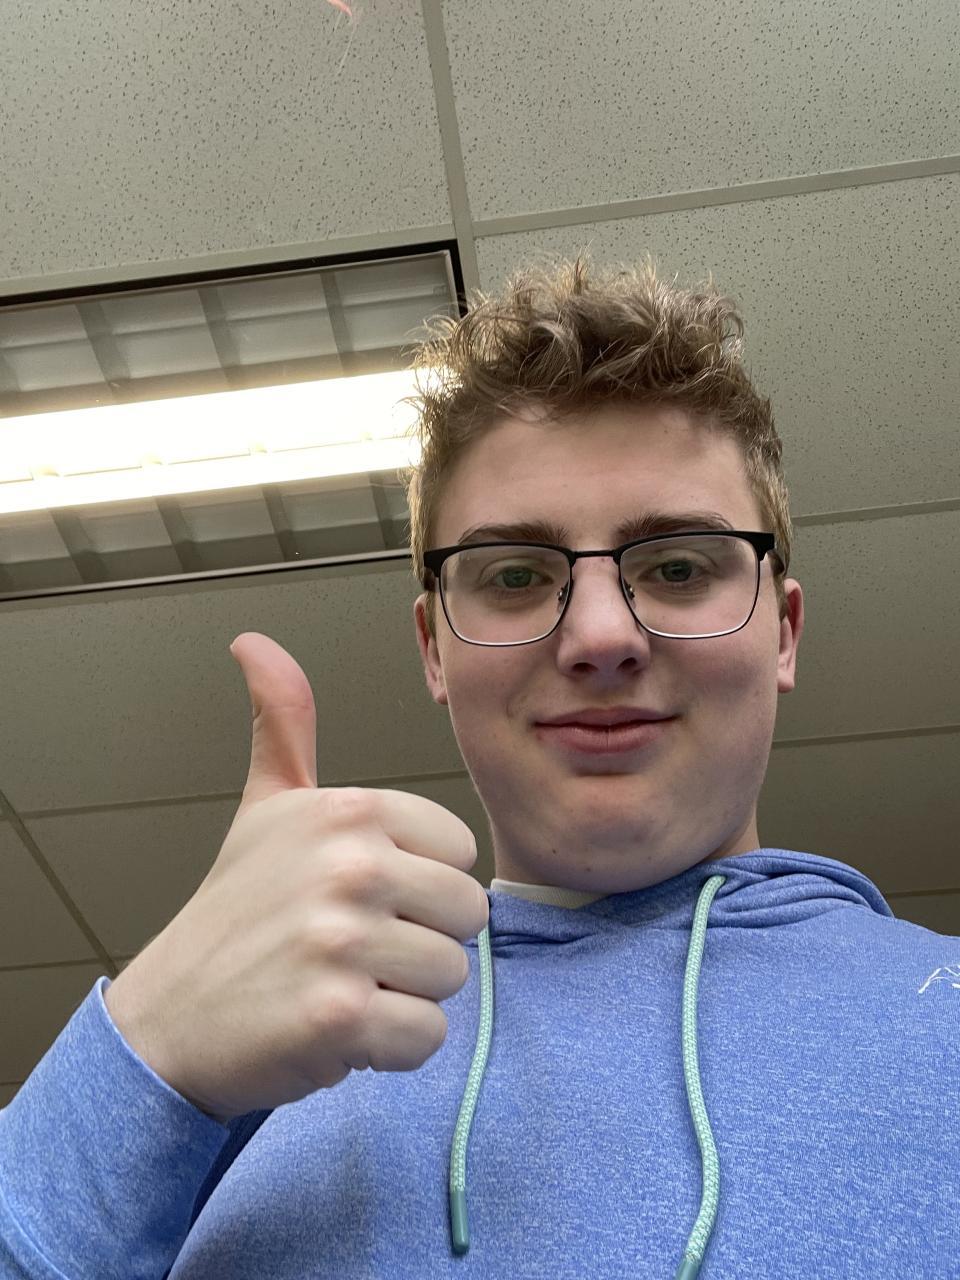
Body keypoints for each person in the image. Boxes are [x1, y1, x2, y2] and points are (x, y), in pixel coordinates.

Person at [0, 253, 956, 1279]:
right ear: (433, 648)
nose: (600, 634)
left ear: (783, 630)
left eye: (678, 565)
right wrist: (146, 1048)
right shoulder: (252, 1078)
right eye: (513, 575)